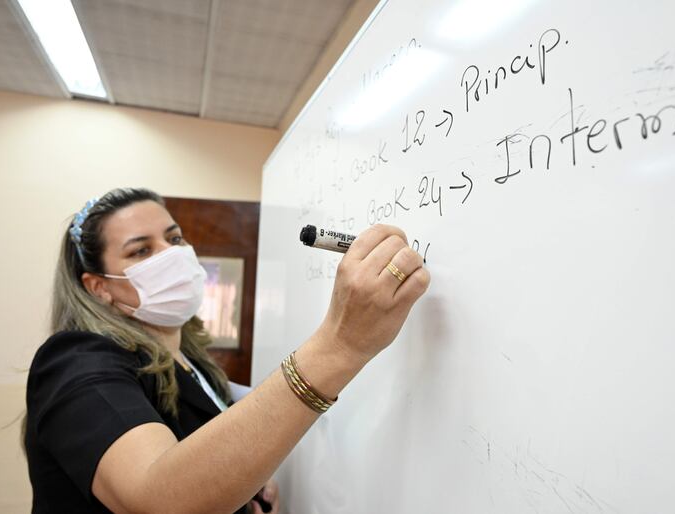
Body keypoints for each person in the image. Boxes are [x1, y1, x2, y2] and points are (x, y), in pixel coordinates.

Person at [24, 187, 430, 513]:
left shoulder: (192, 361)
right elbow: (156, 499)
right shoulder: (73, 361)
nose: (172, 254)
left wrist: (240, 484)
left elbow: (204, 458)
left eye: (174, 238)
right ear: (99, 286)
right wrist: (340, 346)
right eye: (141, 250)